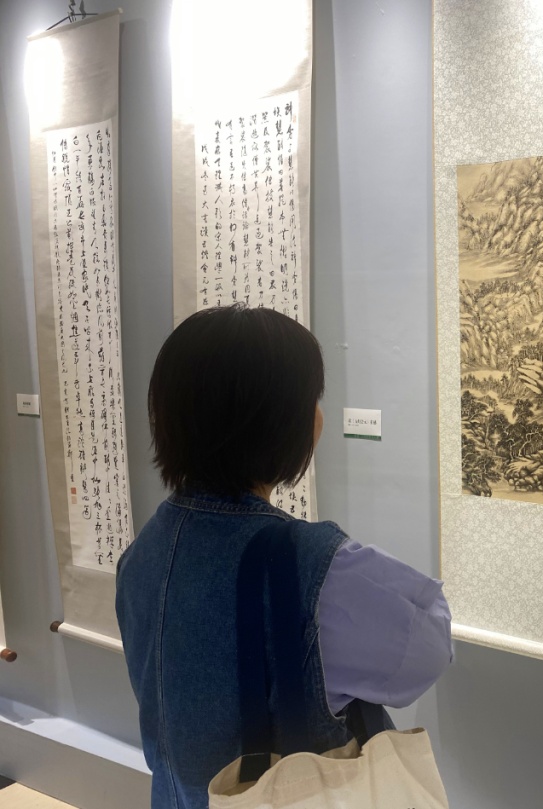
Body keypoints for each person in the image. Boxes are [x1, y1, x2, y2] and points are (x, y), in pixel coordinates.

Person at [116, 305, 452, 809]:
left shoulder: (143, 552)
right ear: (286, 423)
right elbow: (427, 649)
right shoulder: (313, 566)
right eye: (311, 400)